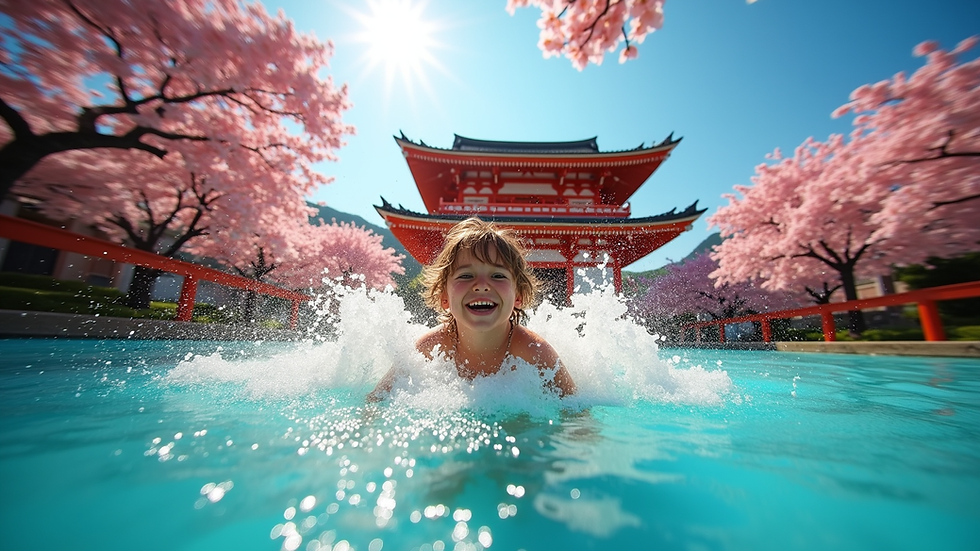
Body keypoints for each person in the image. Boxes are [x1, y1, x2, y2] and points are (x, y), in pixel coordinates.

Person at [370, 217, 575, 400]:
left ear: (518, 297)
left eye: (498, 276)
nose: (482, 284)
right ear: (444, 298)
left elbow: (576, 414)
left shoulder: (534, 352)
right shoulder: (431, 347)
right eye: (466, 276)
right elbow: (376, 401)